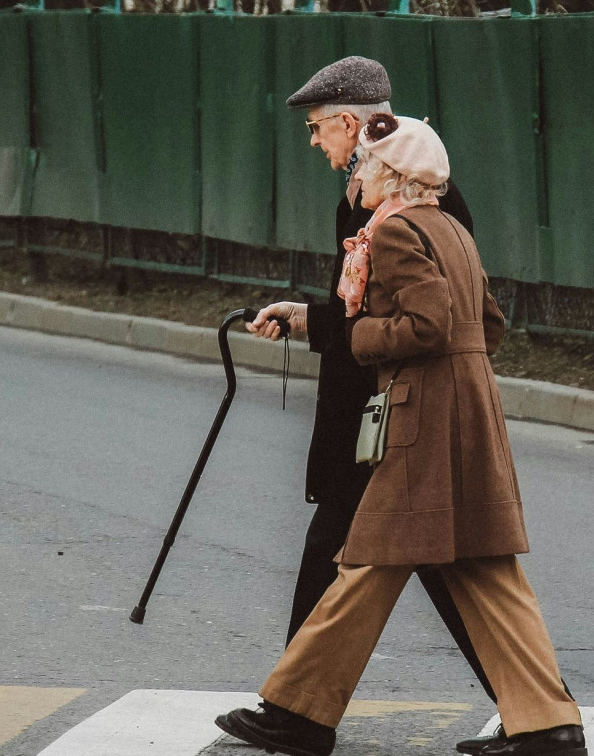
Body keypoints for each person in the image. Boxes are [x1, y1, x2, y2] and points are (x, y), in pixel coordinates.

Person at [216, 114, 586, 756]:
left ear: (390, 173)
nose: (355, 174)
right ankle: (548, 724)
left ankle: (297, 714)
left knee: (366, 563)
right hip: (471, 409)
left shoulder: (395, 233)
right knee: (486, 568)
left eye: (363, 164)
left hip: (421, 417)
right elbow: (487, 324)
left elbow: (430, 324)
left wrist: (361, 340)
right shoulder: (450, 231)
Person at [236, 57, 509, 754]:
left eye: (318, 127)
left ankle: (295, 715)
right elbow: (363, 310)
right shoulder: (379, 199)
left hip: (394, 416)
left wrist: (322, 325)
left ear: (351, 124)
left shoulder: (397, 207)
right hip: (387, 412)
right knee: (436, 567)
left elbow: (422, 320)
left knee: (352, 551)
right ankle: (537, 714)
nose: (315, 141)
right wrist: (309, 316)